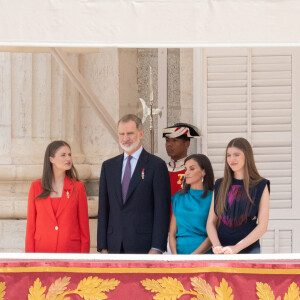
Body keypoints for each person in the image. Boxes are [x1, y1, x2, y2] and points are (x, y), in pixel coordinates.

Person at [97, 114, 171, 254]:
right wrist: (103, 247)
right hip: (113, 246)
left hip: (144, 247)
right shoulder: (108, 167)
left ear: (141, 133)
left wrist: (156, 248)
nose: (125, 138)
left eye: (130, 133)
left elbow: (162, 210)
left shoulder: (156, 166)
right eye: (121, 134)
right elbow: (103, 209)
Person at [206, 137, 270, 254]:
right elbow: (210, 222)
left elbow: (262, 226)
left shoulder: (261, 185)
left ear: (247, 156)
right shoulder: (219, 184)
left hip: (249, 249)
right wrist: (217, 246)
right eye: (228, 155)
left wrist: (236, 248)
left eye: (236, 155)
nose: (232, 159)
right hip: (221, 251)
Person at [25, 140, 90, 253]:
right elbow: (31, 227)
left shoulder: (78, 187)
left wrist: (84, 259)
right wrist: (29, 259)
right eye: (63, 155)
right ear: (51, 159)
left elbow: (84, 228)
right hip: (42, 253)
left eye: (69, 154)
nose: (68, 158)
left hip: (71, 253)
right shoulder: (36, 187)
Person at [169, 154, 214, 254]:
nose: (186, 173)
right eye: (185, 169)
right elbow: (172, 233)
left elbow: (214, 234)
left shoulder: (213, 198)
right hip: (179, 256)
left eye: (192, 169)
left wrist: (193, 256)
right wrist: (175, 256)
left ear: (203, 172)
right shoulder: (178, 197)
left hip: (203, 255)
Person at [162, 123, 200, 196]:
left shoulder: (194, 170)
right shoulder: (162, 169)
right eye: (167, 140)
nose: (169, 144)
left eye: (175, 140)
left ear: (187, 144)